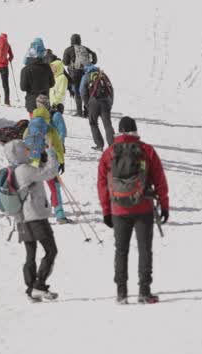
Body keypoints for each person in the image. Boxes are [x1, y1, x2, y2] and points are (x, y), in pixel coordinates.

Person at [98, 117, 169, 304]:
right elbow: (160, 179)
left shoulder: (109, 153)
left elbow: (102, 184)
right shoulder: (147, 150)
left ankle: (121, 293)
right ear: (135, 131)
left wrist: (106, 210)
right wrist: (164, 204)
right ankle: (144, 292)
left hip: (118, 209)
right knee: (145, 249)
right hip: (143, 207)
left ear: (119, 132)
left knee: (121, 250)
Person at [4, 139, 60, 301]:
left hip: (22, 218)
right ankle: (39, 286)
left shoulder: (16, 170)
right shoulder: (24, 170)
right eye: (25, 149)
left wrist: (43, 162)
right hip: (35, 216)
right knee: (51, 250)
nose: (28, 151)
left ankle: (31, 289)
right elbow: (50, 173)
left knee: (31, 254)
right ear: (19, 152)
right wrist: (50, 153)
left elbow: (39, 174)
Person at [23, 99, 67, 223]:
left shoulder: (30, 127)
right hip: (47, 162)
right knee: (55, 187)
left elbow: (24, 142)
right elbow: (58, 147)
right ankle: (60, 215)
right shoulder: (50, 129)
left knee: (33, 189)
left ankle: (32, 213)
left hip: (33, 163)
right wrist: (61, 162)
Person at [80, 63, 115, 149]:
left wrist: (87, 104)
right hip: (106, 101)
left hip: (93, 101)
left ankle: (99, 145)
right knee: (107, 124)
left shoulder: (86, 76)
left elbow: (82, 91)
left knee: (93, 123)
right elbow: (111, 89)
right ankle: (112, 144)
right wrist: (110, 101)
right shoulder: (103, 75)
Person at [62, 34, 96, 117]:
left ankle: (79, 112)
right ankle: (87, 112)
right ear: (80, 40)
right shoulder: (85, 49)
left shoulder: (68, 49)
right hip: (86, 72)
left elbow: (65, 62)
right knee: (86, 91)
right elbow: (94, 57)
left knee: (77, 92)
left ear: (71, 41)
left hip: (75, 73)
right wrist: (91, 63)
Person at [19, 38, 53, 114]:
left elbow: (23, 87)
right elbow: (52, 83)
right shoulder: (47, 68)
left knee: (34, 124)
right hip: (45, 104)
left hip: (32, 105)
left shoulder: (26, 70)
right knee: (45, 124)